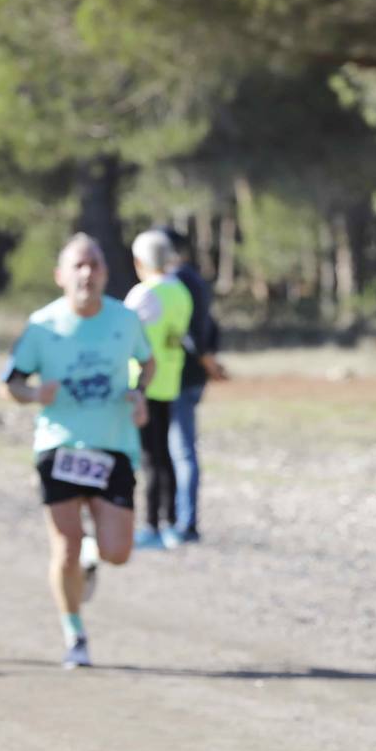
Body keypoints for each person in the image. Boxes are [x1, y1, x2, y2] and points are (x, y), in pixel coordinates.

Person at [0, 234, 154, 668]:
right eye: (78, 265)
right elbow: (10, 383)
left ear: (106, 273)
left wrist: (139, 392)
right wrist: (34, 394)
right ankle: (75, 634)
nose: (87, 273)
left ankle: (92, 556)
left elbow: (148, 362)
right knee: (64, 547)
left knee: (117, 552)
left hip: (114, 443)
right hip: (60, 445)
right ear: (60, 275)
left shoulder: (125, 320)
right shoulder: (42, 326)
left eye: (95, 265)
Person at [123, 229, 193, 549]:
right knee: (163, 456)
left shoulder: (145, 294)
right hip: (169, 382)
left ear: (139, 261)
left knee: (151, 458)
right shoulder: (180, 291)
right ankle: (170, 522)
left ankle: (152, 524)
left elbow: (122, 336)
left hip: (143, 385)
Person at [162, 226, 228, 544]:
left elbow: (193, 332)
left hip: (179, 377)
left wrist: (206, 361)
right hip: (190, 377)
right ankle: (176, 518)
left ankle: (184, 523)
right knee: (177, 450)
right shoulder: (194, 279)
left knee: (180, 451)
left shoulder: (176, 282)